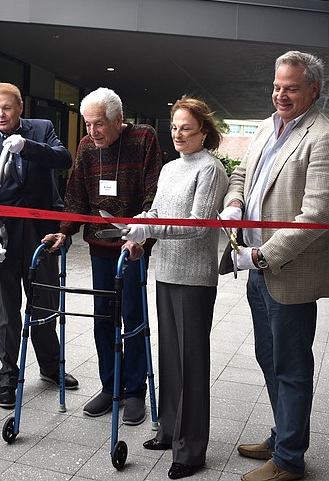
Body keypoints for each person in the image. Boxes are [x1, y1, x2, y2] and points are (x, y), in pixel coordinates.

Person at [220, 51, 329, 481]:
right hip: (256, 268)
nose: (280, 95)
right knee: (268, 357)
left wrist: (261, 255)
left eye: (291, 88)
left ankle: (290, 460)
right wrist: (235, 203)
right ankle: (283, 437)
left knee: (292, 366)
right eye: (277, 86)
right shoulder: (264, 127)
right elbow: (240, 173)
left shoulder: (325, 137)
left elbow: (315, 217)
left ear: (313, 89)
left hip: (285, 270)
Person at [41, 87, 162, 425]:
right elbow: (76, 192)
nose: (92, 132)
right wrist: (64, 231)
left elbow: (154, 192)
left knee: (133, 316)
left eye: (99, 125)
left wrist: (142, 235)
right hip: (99, 245)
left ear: (118, 120)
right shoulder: (86, 147)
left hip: (132, 245)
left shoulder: (143, 139)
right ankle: (111, 387)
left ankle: (135, 390)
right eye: (87, 124)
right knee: (103, 317)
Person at [126, 96, 228, 480]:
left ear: (204, 131)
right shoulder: (169, 168)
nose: (178, 133)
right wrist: (139, 226)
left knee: (191, 363)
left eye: (186, 127)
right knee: (170, 358)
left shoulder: (211, 168)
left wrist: (150, 228)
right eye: (174, 126)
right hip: (165, 271)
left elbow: (196, 224)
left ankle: (191, 449)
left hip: (194, 277)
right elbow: (156, 211)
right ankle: (169, 430)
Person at [0, 82, 78, 409]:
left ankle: (50, 366)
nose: (1, 115)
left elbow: (64, 159)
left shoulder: (41, 130)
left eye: (6, 108)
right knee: (7, 310)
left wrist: (27, 147)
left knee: (44, 303)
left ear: (19, 107)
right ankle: (8, 377)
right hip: (2, 237)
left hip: (40, 234)